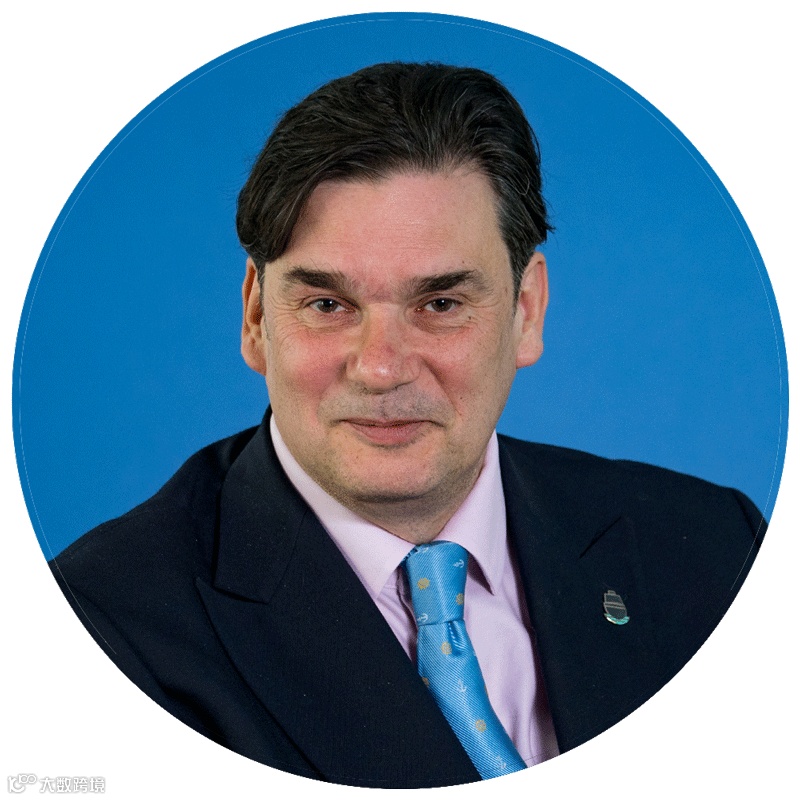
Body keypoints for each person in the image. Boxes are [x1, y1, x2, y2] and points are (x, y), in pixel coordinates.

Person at [49, 62, 765, 788]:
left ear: (526, 312)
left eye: (441, 304)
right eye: (328, 305)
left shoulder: (714, 549)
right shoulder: (101, 634)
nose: (381, 369)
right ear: (257, 317)